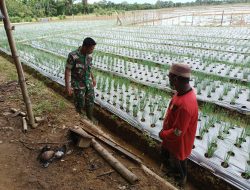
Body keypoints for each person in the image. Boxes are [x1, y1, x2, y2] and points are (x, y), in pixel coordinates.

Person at [159, 63, 198, 187]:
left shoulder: (186, 105)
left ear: (175, 79)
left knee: (177, 164)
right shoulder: (180, 92)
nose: (169, 80)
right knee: (171, 160)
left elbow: (177, 132)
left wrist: (163, 134)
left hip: (178, 144)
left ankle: (178, 183)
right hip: (171, 140)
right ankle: (170, 174)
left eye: (170, 77)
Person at [65, 37, 96, 120]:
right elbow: (68, 70)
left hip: (88, 83)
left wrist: (93, 78)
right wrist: (68, 86)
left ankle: (90, 117)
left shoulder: (89, 56)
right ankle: (81, 119)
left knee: (90, 101)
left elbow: (89, 68)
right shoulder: (73, 56)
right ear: (85, 47)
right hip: (78, 84)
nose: (92, 50)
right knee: (80, 103)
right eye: (91, 49)